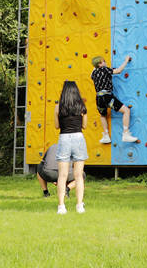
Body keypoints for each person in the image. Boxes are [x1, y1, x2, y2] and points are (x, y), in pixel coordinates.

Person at [54, 80, 88, 214]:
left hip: (64, 139)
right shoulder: (82, 106)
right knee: (78, 175)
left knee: (62, 175)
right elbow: (84, 126)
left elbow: (56, 126)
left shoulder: (58, 107)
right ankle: (79, 205)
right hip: (78, 138)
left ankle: (61, 206)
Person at [90, 54, 139, 143]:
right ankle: (125, 133)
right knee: (126, 111)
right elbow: (119, 71)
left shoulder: (93, 73)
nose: (105, 62)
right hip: (107, 97)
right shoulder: (105, 69)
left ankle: (106, 135)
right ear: (100, 64)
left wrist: (95, 66)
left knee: (103, 115)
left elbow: (92, 72)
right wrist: (126, 60)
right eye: (103, 61)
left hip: (99, 98)